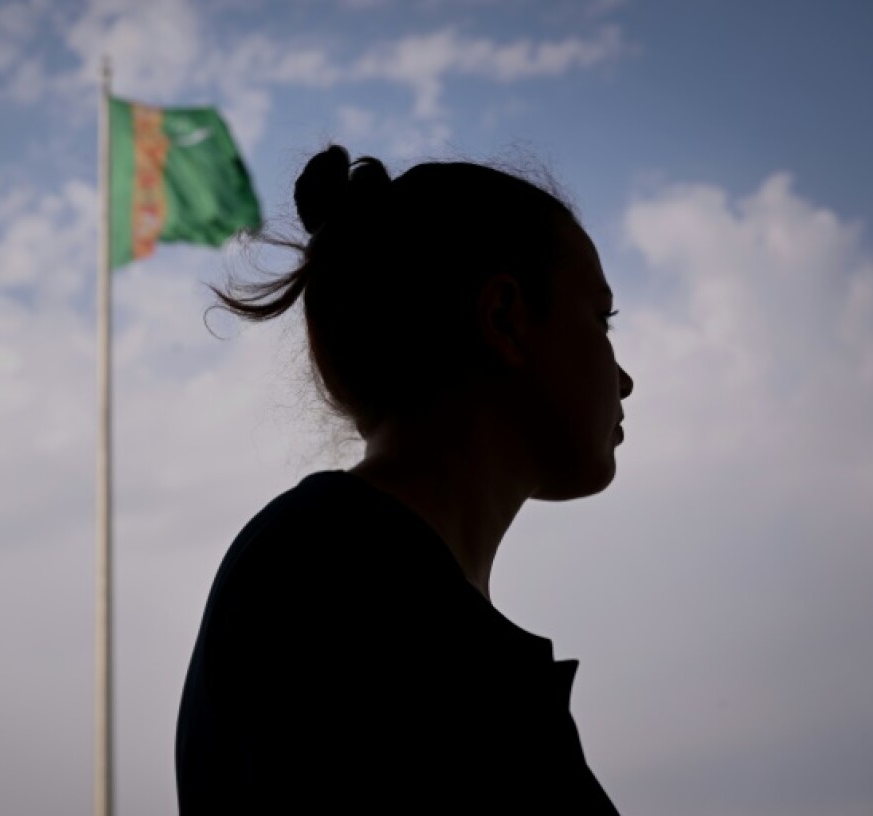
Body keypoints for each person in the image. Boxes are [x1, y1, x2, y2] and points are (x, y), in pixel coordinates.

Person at [175, 144, 634, 814]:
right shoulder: (342, 586)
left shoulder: (322, 565)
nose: (624, 379)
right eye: (600, 318)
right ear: (504, 318)